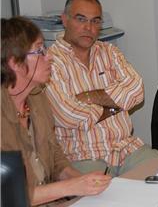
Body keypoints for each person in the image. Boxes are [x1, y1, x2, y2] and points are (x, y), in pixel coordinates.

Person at [45, 0, 158, 177]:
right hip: (82, 157)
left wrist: (88, 97)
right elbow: (69, 116)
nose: (89, 28)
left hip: (126, 149)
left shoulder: (109, 52)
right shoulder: (49, 62)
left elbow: (137, 91)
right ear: (65, 20)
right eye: (81, 19)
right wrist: (115, 106)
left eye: (95, 21)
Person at [1, 17, 111, 205]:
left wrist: (81, 180)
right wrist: (73, 187)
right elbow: (7, 197)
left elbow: (54, 154)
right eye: (39, 51)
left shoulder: (37, 97)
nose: (49, 56)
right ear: (15, 63)